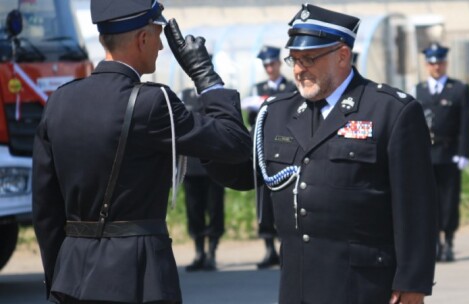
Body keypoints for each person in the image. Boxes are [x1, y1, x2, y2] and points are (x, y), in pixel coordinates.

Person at [204, 4, 437, 304]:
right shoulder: (277, 112)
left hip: (364, 287)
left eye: (309, 59)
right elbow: (241, 172)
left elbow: (416, 207)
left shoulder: (390, 111)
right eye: (295, 59)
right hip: (298, 285)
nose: (299, 69)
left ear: (342, 55)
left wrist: (413, 284)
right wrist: (204, 113)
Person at [31, 0, 251, 303]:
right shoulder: (153, 102)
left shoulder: (59, 101)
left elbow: (46, 208)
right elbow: (235, 143)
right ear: (142, 38)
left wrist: (59, 277)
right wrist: (205, 76)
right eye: (158, 35)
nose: (161, 46)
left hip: (71, 277)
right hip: (138, 278)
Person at [413, 42, 469, 262]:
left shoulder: (458, 89)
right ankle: (435, 243)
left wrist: (464, 153)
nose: (436, 66)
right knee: (428, 201)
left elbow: (467, 123)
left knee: (449, 200)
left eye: (439, 62)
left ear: (445, 63)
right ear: (426, 64)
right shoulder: (418, 90)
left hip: (450, 153)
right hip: (426, 154)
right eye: (432, 62)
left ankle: (449, 241)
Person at [248, 45, 296, 269]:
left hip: (284, 150)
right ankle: (268, 248)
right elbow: (251, 121)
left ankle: (285, 246)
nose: (269, 68)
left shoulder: (290, 87)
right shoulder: (257, 89)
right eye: (265, 65)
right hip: (263, 151)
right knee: (264, 200)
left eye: (272, 64)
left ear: (278, 63)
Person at [180, 86, 226, 272]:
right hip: (191, 165)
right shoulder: (185, 96)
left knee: (215, 209)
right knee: (194, 210)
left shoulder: (216, 96)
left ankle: (211, 253)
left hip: (214, 164)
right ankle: (199, 252)